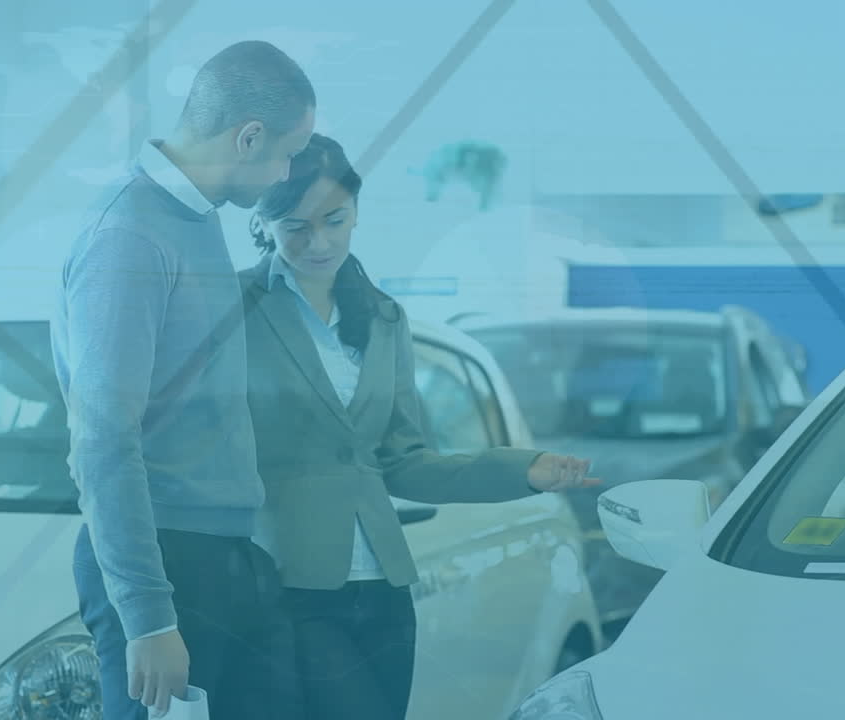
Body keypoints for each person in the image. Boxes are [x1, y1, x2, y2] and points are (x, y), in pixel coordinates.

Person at [240, 134, 599, 720]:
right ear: (263, 222)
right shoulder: (235, 310)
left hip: (384, 590)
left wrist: (525, 470)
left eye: (335, 220)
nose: (319, 242)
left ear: (357, 210)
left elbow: (404, 462)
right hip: (289, 585)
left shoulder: (385, 317)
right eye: (295, 227)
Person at [50, 41, 314, 719]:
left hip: (224, 555)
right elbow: (103, 438)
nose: (287, 172)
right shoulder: (130, 234)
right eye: (287, 153)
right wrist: (148, 617)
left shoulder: (195, 219)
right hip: (167, 563)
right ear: (248, 137)